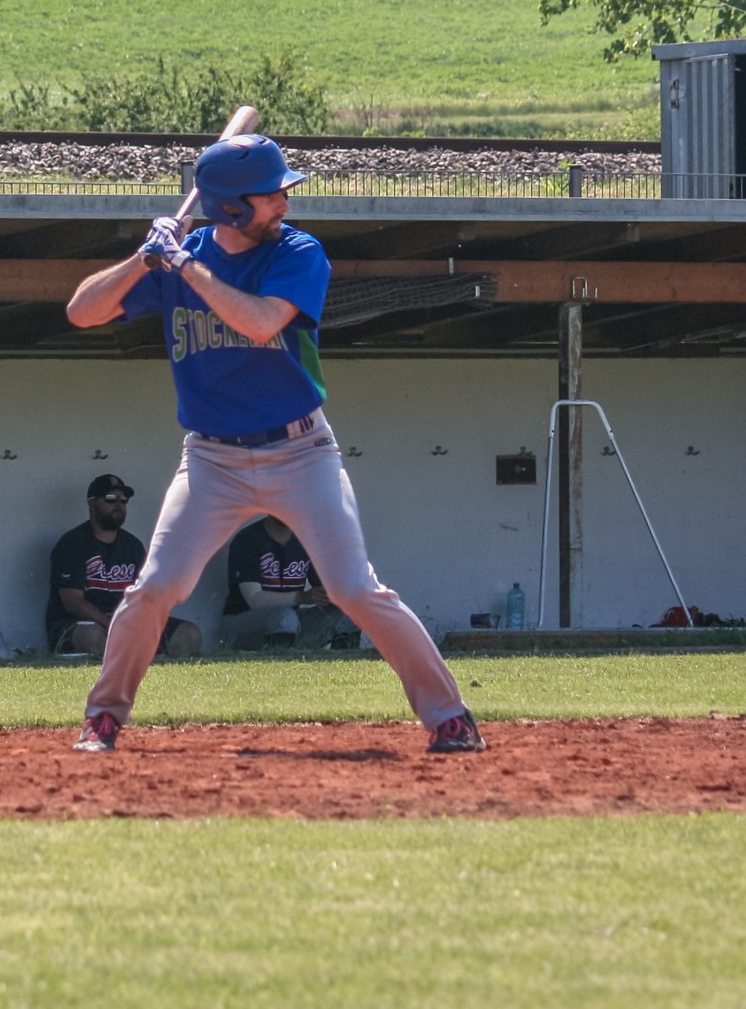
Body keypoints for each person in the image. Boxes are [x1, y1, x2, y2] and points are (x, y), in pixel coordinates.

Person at [61, 134, 483, 755]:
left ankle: (450, 717)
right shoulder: (184, 253)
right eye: (271, 193)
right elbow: (81, 312)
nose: (285, 200)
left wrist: (180, 265)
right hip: (211, 459)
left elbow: (259, 321)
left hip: (301, 450)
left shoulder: (298, 251)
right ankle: (104, 718)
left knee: (353, 588)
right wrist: (140, 259)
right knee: (154, 587)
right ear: (231, 208)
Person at [47, 473, 200, 659]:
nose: (118, 505)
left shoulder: (133, 546)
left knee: (188, 633)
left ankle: (160, 678)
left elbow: (145, 595)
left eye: (123, 500)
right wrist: (109, 622)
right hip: (80, 624)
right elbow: (73, 602)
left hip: (125, 622)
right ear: (92, 503)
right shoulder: (73, 543)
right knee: (94, 636)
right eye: (110, 499)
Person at [220, 515, 347, 651]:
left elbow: (323, 588)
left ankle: (345, 666)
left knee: (346, 616)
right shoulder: (248, 538)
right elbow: (254, 599)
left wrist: (339, 597)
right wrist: (303, 597)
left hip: (290, 623)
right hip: (241, 621)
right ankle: (279, 668)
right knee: (284, 617)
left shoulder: (308, 539)